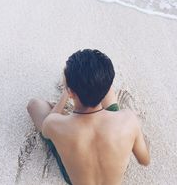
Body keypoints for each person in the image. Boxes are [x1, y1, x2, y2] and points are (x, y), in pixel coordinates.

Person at [27, 49, 150, 185]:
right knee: (101, 85)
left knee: (34, 105)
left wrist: (65, 94)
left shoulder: (54, 124)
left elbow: (47, 128)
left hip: (75, 177)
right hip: (113, 172)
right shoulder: (129, 119)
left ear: (70, 91)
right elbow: (144, 159)